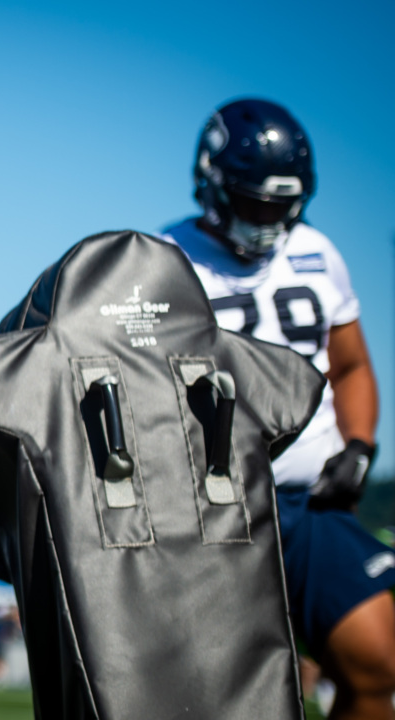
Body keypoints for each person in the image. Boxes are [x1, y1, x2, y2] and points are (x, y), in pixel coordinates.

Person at [163, 97, 395, 720]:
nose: (268, 221)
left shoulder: (318, 252)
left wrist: (360, 445)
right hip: (214, 513)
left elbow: (349, 365)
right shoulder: (163, 261)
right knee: (229, 694)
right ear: (212, 182)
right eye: (253, 202)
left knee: (378, 661)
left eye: (281, 205)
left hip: (307, 500)